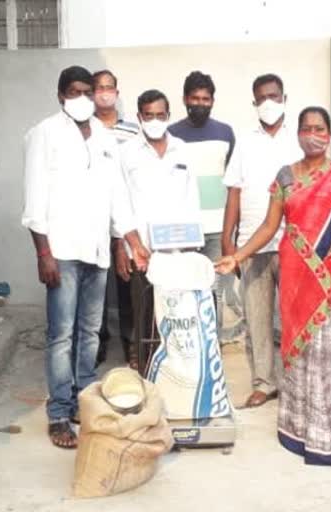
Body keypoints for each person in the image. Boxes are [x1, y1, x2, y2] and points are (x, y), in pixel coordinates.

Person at [217, 107, 331, 466]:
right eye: (306, 128)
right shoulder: (285, 177)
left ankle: (328, 439)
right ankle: (296, 431)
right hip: (295, 279)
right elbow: (270, 227)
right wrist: (237, 257)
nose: (312, 134)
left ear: (329, 134)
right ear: (298, 134)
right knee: (298, 355)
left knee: (326, 357)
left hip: (329, 278)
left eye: (319, 128)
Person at [22, 66, 149, 449]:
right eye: (73, 92)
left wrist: (131, 241)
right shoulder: (44, 134)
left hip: (96, 250)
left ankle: (82, 399)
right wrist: (43, 252)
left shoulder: (105, 138)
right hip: (61, 250)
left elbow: (117, 196)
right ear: (61, 95)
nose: (82, 98)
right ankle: (59, 412)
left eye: (87, 91)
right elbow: (34, 197)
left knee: (90, 332)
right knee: (61, 334)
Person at [222, 73, 302, 408]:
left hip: (292, 245)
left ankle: (296, 382)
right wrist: (230, 242)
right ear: (254, 103)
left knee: (294, 317)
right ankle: (264, 382)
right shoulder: (246, 141)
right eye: (261, 98)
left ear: (285, 97)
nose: (268, 103)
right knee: (257, 319)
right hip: (252, 244)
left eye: (273, 96)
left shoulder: (298, 141)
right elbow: (234, 193)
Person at [119, 89, 200, 369]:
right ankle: (144, 369)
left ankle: (174, 373)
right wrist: (129, 244)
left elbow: (192, 198)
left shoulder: (182, 149)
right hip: (143, 251)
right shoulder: (127, 152)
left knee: (176, 315)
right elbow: (120, 201)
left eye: (160, 115)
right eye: (149, 115)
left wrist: (192, 244)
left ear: (168, 116)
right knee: (144, 316)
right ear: (139, 117)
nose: (155, 120)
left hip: (179, 249)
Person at [168, 71, 238, 339]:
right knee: (184, 287)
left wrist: (232, 229)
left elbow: (233, 182)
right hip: (183, 229)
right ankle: (187, 343)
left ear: (213, 101)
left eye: (205, 99)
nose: (200, 103)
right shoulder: (172, 134)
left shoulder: (225, 133)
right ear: (185, 99)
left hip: (217, 227)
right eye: (195, 98)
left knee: (213, 289)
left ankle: (212, 344)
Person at [91, 69, 140, 365]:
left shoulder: (133, 131)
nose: (105, 93)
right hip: (95, 217)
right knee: (96, 285)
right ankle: (96, 341)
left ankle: (131, 342)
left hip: (125, 218)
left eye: (110, 87)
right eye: (99, 88)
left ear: (117, 93)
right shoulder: (84, 128)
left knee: (126, 282)